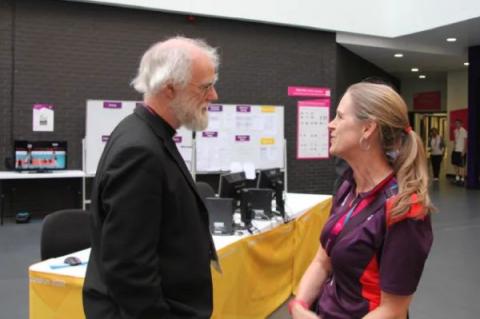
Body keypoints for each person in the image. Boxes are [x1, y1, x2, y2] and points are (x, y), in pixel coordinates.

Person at [83, 36, 220, 319]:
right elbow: (129, 268)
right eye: (205, 87)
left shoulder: (147, 135)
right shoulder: (140, 151)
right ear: (170, 88)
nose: (214, 96)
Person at [290, 82, 434, 319]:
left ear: (368, 129)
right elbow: (322, 260)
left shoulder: (405, 209)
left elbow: (393, 310)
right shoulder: (348, 186)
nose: (330, 125)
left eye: (339, 116)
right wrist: (299, 305)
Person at [451, 119, 468, 185]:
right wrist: (453, 148)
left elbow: (465, 142)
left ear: (461, 124)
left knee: (462, 165)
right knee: (455, 164)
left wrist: (464, 150)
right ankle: (457, 178)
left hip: (461, 150)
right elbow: (455, 140)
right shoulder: (455, 131)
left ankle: (462, 179)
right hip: (455, 150)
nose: (456, 125)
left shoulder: (464, 131)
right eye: (455, 123)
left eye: (458, 123)